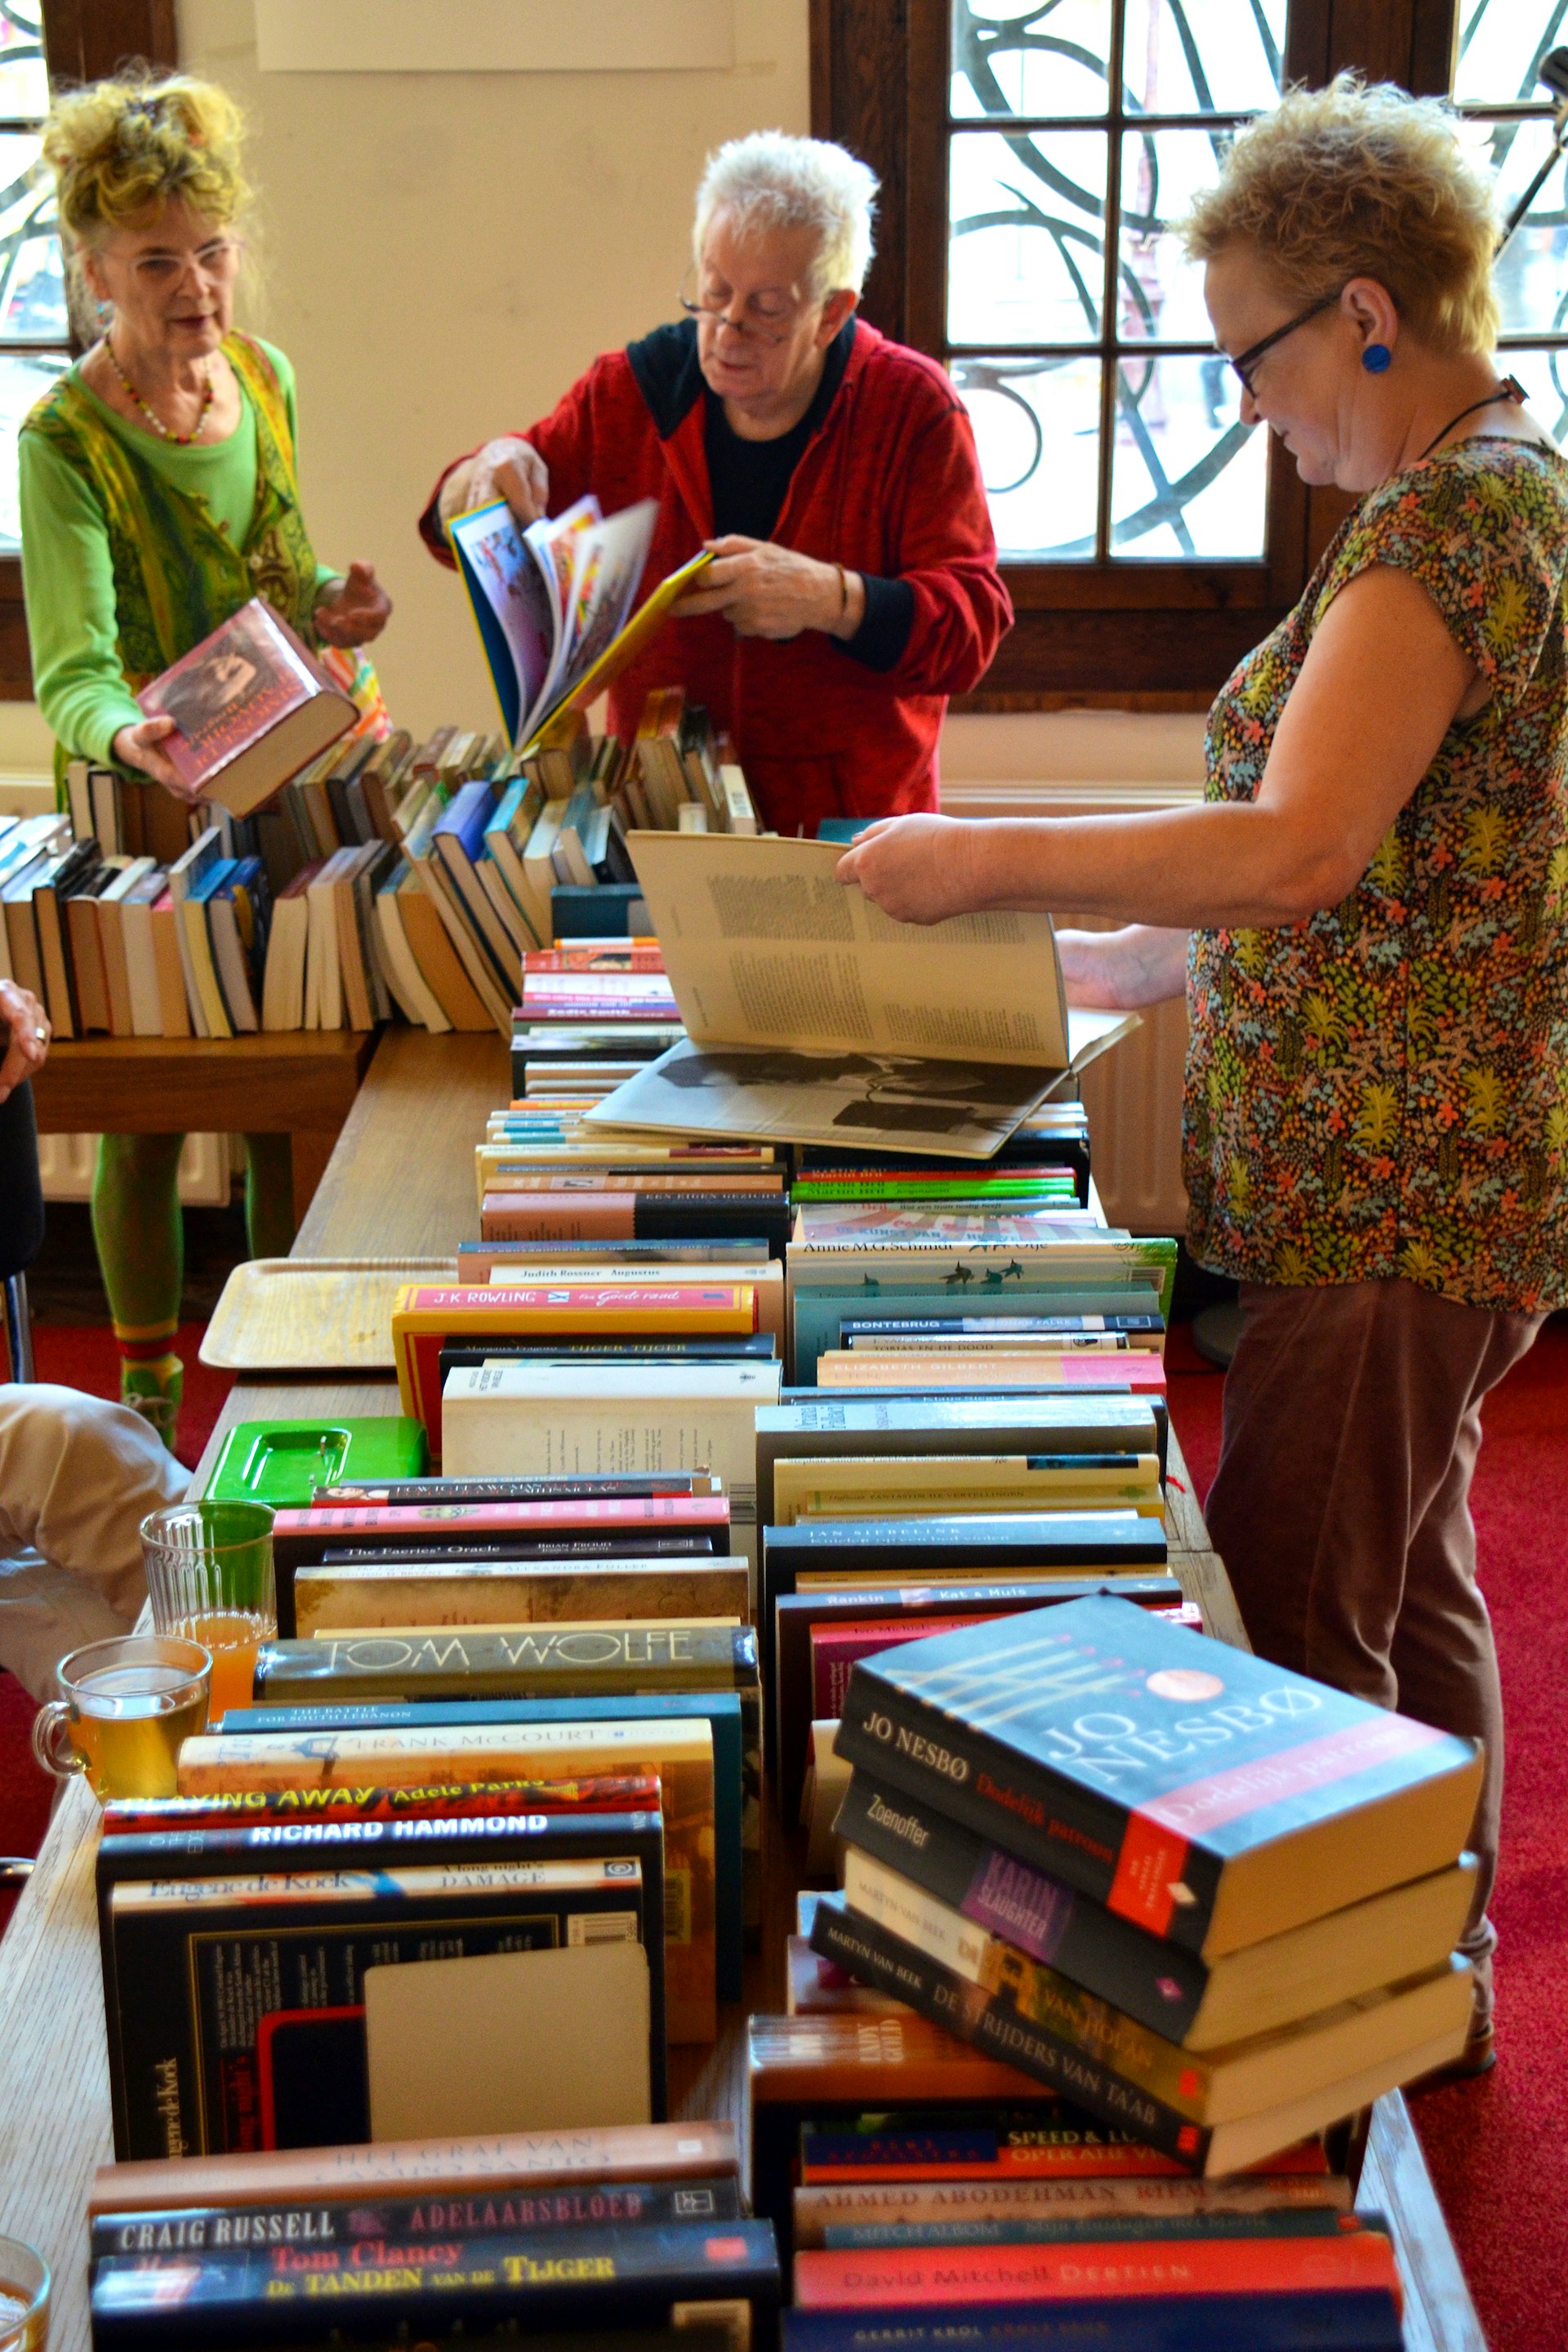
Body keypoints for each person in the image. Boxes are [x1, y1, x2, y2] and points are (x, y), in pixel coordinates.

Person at [837, 74, 1568, 2073]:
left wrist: (984, 856)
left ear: (1363, 310)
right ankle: (1432, 1983)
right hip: (1419, 1169)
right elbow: (1299, 882)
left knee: (1300, 1609)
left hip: (1399, 1184)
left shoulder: (1451, 524)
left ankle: (1341, 2044)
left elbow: (1295, 855)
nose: (1249, 404)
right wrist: (1053, 962)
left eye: (1250, 351)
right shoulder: (1469, 497)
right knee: (1402, 1572)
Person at [20, 74, 394, 1445]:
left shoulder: (266, 378)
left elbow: (283, 596)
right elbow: (71, 671)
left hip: (283, 780)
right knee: (154, 1118)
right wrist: (131, 734)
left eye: (215, 253)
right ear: (96, 269)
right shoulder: (61, 438)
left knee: (288, 1091)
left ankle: (284, 1382)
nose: (197, 290)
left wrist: (340, 617)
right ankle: (146, 1408)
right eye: (160, 262)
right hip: (142, 799)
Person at [420, 131, 1011, 835]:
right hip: (665, 815)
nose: (727, 332)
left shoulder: (910, 408)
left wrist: (834, 598)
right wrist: (481, 473)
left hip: (849, 828)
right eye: (714, 292)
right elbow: (466, 522)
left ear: (831, 312)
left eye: (766, 308)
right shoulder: (628, 393)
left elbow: (974, 627)